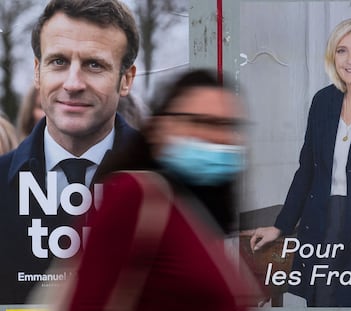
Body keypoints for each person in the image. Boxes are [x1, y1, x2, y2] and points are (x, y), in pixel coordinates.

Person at [49, 69, 259, 311]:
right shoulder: (135, 197)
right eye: (201, 122)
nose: (219, 136)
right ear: (160, 129)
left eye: (228, 126)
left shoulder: (197, 215)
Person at [248, 18, 351, 307]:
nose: (350, 59)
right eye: (341, 50)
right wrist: (281, 226)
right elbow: (307, 172)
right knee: (323, 299)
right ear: (332, 56)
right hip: (325, 221)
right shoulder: (323, 101)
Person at [0, 0, 149, 304]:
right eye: (59, 61)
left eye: (95, 64)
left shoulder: (170, 185)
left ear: (126, 79)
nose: (73, 83)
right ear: (38, 71)